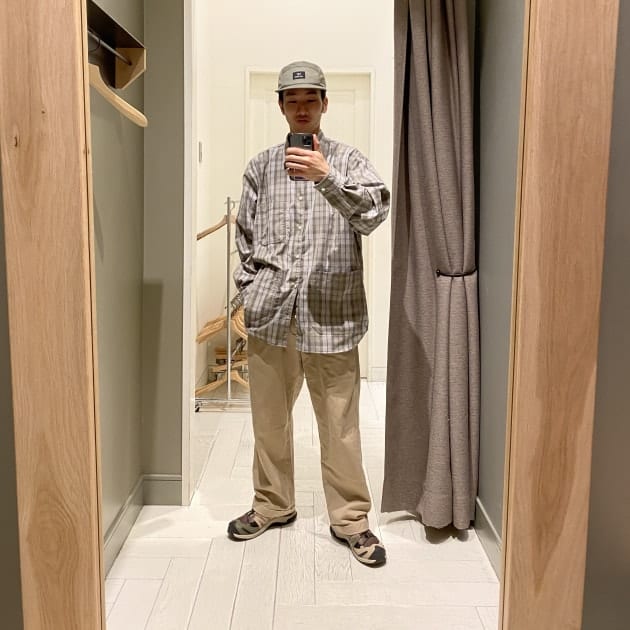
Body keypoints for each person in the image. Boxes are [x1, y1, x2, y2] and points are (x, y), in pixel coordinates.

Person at [227, 61, 390, 567]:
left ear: (324, 104)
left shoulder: (348, 160)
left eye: (310, 99)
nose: (302, 108)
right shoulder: (260, 167)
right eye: (292, 100)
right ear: (281, 107)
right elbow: (244, 237)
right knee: (269, 422)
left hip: (332, 316)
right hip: (271, 316)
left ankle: (351, 520)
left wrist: (328, 179)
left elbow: (374, 215)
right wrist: (250, 292)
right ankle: (272, 505)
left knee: (340, 425)